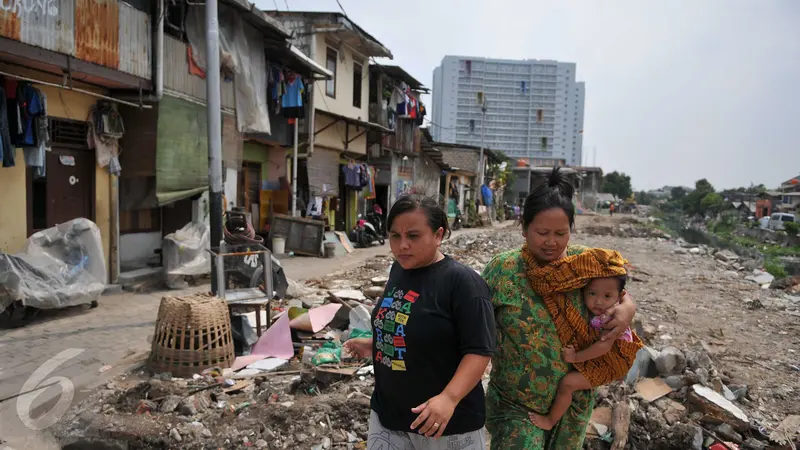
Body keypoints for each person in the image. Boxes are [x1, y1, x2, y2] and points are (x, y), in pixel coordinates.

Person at [482, 167, 638, 449]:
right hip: (514, 404)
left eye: (560, 233)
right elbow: (473, 323)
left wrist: (628, 308)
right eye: (542, 232)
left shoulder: (588, 265)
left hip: (572, 404)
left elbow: (618, 292)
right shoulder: (502, 270)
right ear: (524, 227)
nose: (551, 242)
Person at [344, 194, 496, 450]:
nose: (402, 245)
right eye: (395, 236)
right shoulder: (399, 271)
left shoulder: (463, 283)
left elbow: (480, 350)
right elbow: (413, 328)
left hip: (446, 425)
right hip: (389, 418)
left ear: (438, 235)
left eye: (413, 236)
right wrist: (376, 343)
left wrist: (448, 398)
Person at [528, 270, 642, 430]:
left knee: (567, 384)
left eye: (607, 296)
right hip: (603, 356)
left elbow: (603, 346)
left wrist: (575, 357)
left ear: (619, 296)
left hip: (611, 364)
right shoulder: (606, 306)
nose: (599, 302)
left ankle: (549, 421)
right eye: (592, 293)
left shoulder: (611, 318)